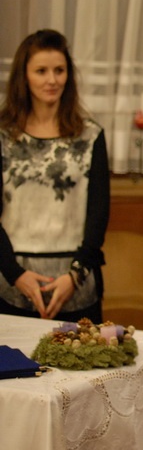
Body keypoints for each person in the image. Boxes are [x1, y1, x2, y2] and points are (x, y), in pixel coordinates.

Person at [0, 29, 109, 324]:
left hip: (76, 276)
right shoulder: (3, 136)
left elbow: (99, 214)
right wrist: (15, 274)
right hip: (12, 276)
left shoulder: (91, 135)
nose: (52, 80)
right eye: (41, 71)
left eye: (59, 70)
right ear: (24, 76)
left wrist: (74, 276)